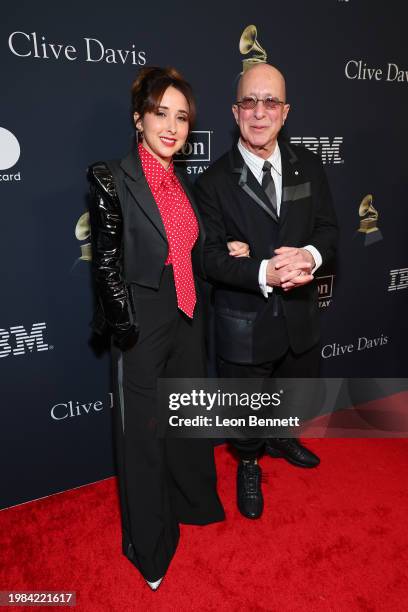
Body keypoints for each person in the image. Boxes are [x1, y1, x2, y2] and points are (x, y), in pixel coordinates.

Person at [87, 66, 240, 589]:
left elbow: (189, 250)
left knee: (187, 417)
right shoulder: (112, 177)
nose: (172, 126)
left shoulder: (183, 184)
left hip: (187, 314)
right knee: (143, 437)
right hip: (143, 319)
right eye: (161, 114)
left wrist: (224, 252)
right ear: (139, 118)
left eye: (182, 117)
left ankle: (194, 505)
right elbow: (105, 262)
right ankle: (149, 546)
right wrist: (125, 329)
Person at [195, 63, 338, 520]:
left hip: (298, 315)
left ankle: (279, 436)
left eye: (270, 102)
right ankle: (250, 460)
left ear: (285, 110)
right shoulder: (213, 182)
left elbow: (330, 231)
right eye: (250, 103)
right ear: (235, 112)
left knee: (293, 392)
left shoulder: (310, 167)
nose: (260, 113)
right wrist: (263, 271)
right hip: (244, 322)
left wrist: (310, 257)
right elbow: (209, 258)